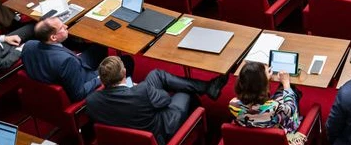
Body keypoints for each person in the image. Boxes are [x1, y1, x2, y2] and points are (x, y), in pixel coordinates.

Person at [85, 56, 226, 145]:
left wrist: (134, 90)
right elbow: (165, 100)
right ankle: (201, 117)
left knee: (156, 74)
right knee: (183, 90)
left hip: (127, 129)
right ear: (124, 73)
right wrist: (140, 90)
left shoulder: (91, 101)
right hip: (161, 130)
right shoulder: (142, 91)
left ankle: (208, 87)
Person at [22, 16, 118, 101]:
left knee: (100, 46)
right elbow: (78, 94)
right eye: (61, 28)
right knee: (123, 62)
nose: (66, 26)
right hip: (82, 79)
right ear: (53, 37)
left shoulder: (29, 45)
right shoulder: (66, 61)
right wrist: (100, 79)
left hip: (62, 71)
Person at [230, 61, 305, 139]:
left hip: (252, 139)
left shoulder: (233, 104)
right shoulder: (274, 107)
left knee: (279, 93)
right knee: (292, 92)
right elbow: (291, 107)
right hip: (275, 138)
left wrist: (265, 79)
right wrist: (286, 82)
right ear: (262, 83)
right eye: (267, 72)